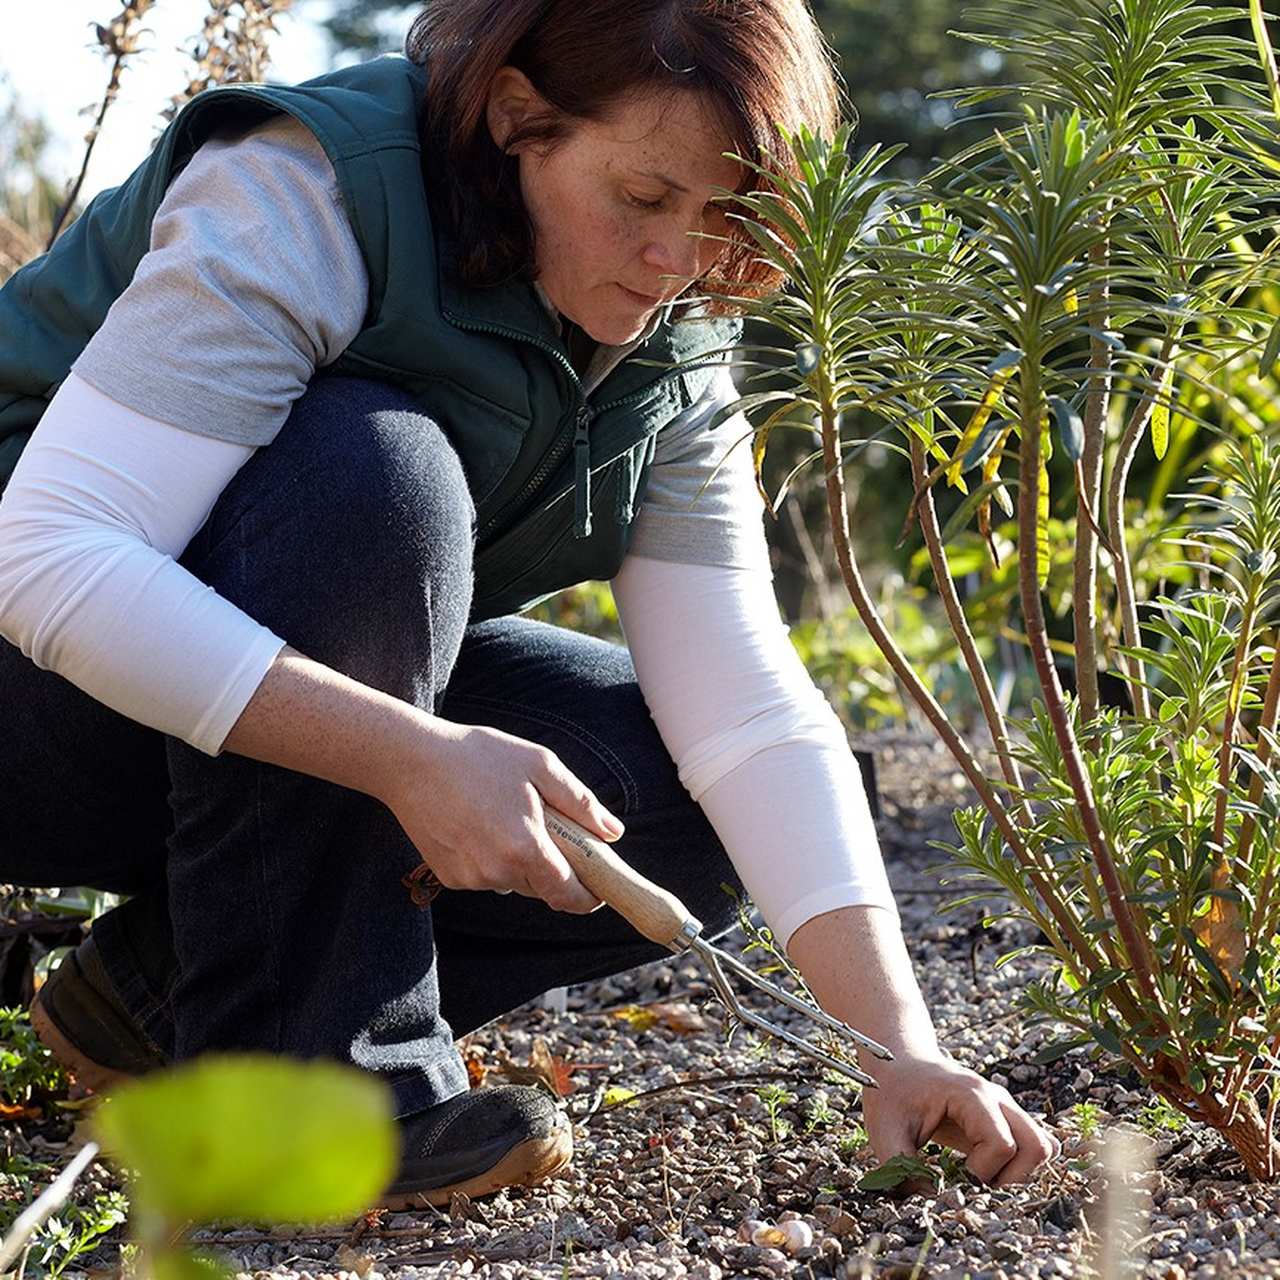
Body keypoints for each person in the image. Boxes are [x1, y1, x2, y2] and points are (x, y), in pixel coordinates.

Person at [0, 0, 1059, 1208]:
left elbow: (746, 707)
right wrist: (410, 755)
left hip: (231, 725)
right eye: (644, 198)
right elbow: (48, 556)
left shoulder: (675, 328)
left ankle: (151, 995)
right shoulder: (305, 190)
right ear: (517, 116)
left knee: (667, 793)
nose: (680, 260)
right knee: (368, 472)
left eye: (723, 217)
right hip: (38, 697)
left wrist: (899, 1044)